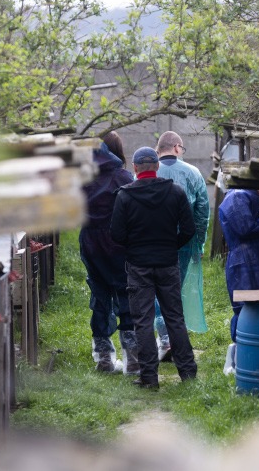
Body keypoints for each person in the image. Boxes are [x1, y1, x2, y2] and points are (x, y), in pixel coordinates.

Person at [110, 146, 198, 389]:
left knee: (143, 321)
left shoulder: (125, 196)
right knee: (175, 318)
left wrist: (135, 247)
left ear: (135, 168)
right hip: (168, 264)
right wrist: (171, 245)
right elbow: (189, 229)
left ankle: (149, 377)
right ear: (157, 166)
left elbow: (116, 234)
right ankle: (188, 373)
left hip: (139, 266)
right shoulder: (176, 192)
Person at [79, 131, 139, 374]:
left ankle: (104, 358)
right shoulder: (123, 177)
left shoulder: (83, 177)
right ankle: (133, 359)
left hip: (90, 243)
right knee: (127, 294)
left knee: (99, 295)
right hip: (118, 243)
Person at [154, 131, 210, 359]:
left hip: (151, 243)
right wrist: (199, 243)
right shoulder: (193, 173)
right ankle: (174, 338)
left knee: (154, 289)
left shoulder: (147, 171)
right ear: (177, 147)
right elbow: (202, 212)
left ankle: (164, 339)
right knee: (174, 288)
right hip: (183, 243)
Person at [218, 189, 259, 370]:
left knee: (251, 305)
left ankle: (242, 357)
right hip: (245, 260)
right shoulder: (238, 196)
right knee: (245, 306)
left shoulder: (241, 195)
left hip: (250, 256)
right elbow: (245, 228)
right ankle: (239, 359)